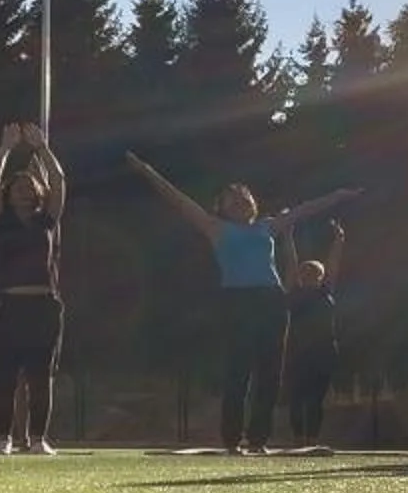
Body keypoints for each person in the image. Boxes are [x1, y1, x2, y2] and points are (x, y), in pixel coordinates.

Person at [126, 155, 356, 454]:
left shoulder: (267, 227)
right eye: (233, 200)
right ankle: (232, 440)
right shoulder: (215, 227)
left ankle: (258, 439)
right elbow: (180, 201)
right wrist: (148, 171)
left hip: (271, 300)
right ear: (221, 207)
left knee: (270, 373)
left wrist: (337, 196)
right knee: (238, 372)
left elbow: (304, 210)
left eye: (245, 198)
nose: (241, 202)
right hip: (238, 301)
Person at [0, 123, 68, 455]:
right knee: (5, 376)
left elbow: (60, 182)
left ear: (38, 193)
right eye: (17, 187)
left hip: (44, 307)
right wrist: (4, 150)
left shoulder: (47, 221)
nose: (23, 191)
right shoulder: (0, 218)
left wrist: (42, 149)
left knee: (40, 377)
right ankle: (4, 438)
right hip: (10, 307)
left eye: (28, 187)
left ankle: (38, 439)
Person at [281, 221, 345, 450]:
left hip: (323, 351)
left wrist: (338, 241)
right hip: (298, 351)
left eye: (314, 272)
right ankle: (299, 438)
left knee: (316, 399)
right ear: (300, 275)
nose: (310, 275)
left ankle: (312, 439)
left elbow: (333, 266)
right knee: (297, 397)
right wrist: (288, 236)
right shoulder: (294, 293)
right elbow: (290, 262)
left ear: (320, 276)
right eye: (305, 272)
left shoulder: (325, 291)